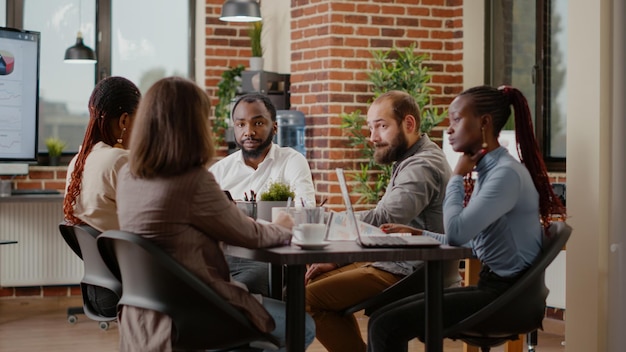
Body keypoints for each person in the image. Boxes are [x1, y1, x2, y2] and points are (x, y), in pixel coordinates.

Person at [115, 77, 315, 352]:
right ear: (193, 125)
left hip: (144, 312)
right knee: (302, 326)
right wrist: (282, 224)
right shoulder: (193, 180)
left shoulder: (127, 176)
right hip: (192, 311)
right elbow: (251, 234)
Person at [366, 85, 566, 351]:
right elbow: (477, 243)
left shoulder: (504, 175)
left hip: (505, 297)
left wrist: (458, 177)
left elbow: (459, 234)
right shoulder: (492, 170)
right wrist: (419, 233)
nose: (449, 129)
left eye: (457, 120)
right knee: (382, 316)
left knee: (385, 325)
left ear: (484, 123)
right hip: (497, 289)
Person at [304, 90, 461, 352]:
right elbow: (386, 225)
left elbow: (384, 219)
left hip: (415, 271)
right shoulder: (411, 159)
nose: (373, 137)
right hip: (399, 261)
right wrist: (338, 259)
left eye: (381, 126)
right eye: (371, 128)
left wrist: (322, 220)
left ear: (408, 124)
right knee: (308, 283)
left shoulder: (422, 165)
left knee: (305, 298)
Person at [210, 93, 316, 296]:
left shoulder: (291, 161)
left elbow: (306, 211)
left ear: (274, 127)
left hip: (272, 258)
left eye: (257, 123)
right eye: (241, 124)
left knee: (242, 289)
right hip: (225, 256)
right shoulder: (219, 171)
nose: (248, 132)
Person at [63, 76, 141, 317]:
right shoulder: (118, 160)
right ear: (125, 120)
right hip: (135, 284)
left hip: (101, 287)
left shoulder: (77, 162)